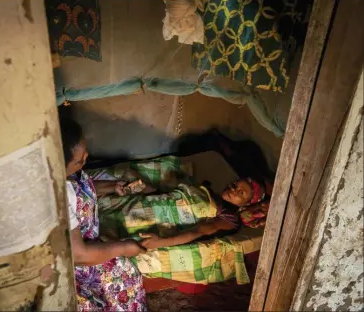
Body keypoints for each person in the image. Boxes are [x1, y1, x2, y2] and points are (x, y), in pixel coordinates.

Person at [61, 117, 147, 311]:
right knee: (125, 278)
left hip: (89, 247)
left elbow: (81, 189)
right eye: (78, 161)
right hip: (76, 263)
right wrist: (123, 248)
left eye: (86, 155)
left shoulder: (71, 175)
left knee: (127, 272)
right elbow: (80, 255)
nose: (84, 162)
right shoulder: (58, 194)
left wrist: (113, 187)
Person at [137, 176, 268, 250]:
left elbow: (198, 232)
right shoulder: (212, 195)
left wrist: (161, 243)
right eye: (234, 185)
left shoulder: (230, 219)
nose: (233, 190)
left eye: (240, 193)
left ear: (246, 205)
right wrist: (151, 190)